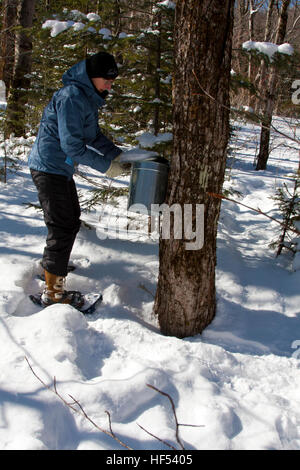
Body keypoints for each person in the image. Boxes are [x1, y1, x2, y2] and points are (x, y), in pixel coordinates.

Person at [28, 51, 127, 308]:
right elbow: (72, 145)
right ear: (92, 76)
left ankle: (52, 268)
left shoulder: (86, 98)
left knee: (70, 220)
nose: (110, 84)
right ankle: (53, 293)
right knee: (63, 224)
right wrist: (107, 167)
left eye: (112, 80)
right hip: (49, 167)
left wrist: (120, 156)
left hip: (59, 168)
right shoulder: (71, 97)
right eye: (106, 79)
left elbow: (93, 136)